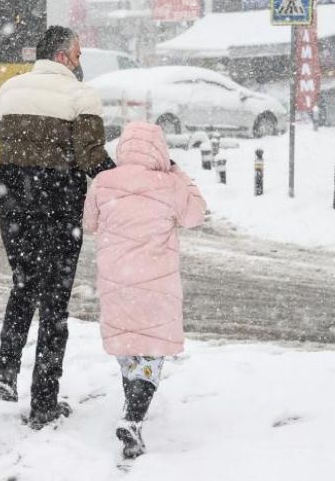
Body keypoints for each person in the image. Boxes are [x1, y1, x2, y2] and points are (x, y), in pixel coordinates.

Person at [0, 25, 116, 429]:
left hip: (13, 206)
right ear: (62, 56)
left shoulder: (8, 90)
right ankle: (44, 402)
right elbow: (92, 157)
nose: (80, 63)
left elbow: (2, 134)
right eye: (77, 55)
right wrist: (129, 179)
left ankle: (5, 372)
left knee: (23, 282)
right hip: (59, 210)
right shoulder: (82, 97)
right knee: (55, 302)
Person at [83, 122, 206, 459]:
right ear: (159, 150)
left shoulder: (103, 182)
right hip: (157, 286)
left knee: (128, 346)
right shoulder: (168, 184)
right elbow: (197, 214)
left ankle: (130, 408)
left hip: (117, 282)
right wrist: (178, 172)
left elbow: (89, 222)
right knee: (150, 352)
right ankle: (133, 418)